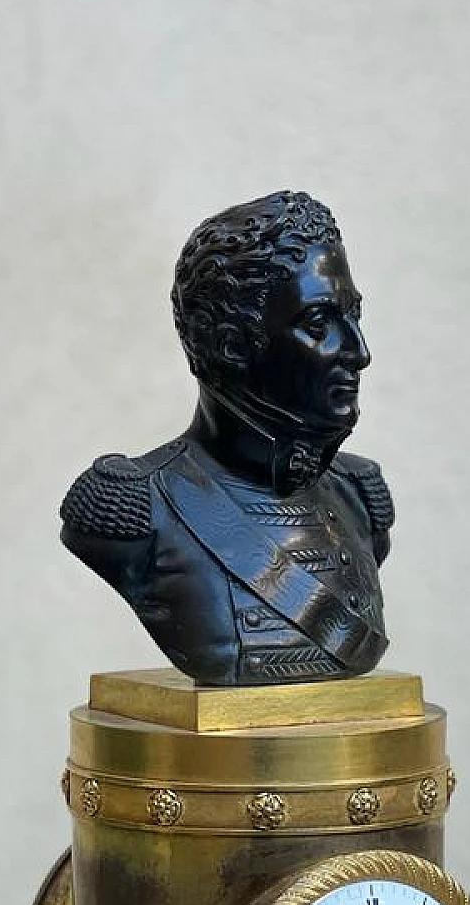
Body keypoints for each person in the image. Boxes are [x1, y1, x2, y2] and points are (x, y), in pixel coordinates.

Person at [61, 191, 394, 685]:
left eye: (354, 317)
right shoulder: (131, 508)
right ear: (232, 345)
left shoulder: (359, 492)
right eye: (321, 323)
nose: (358, 352)